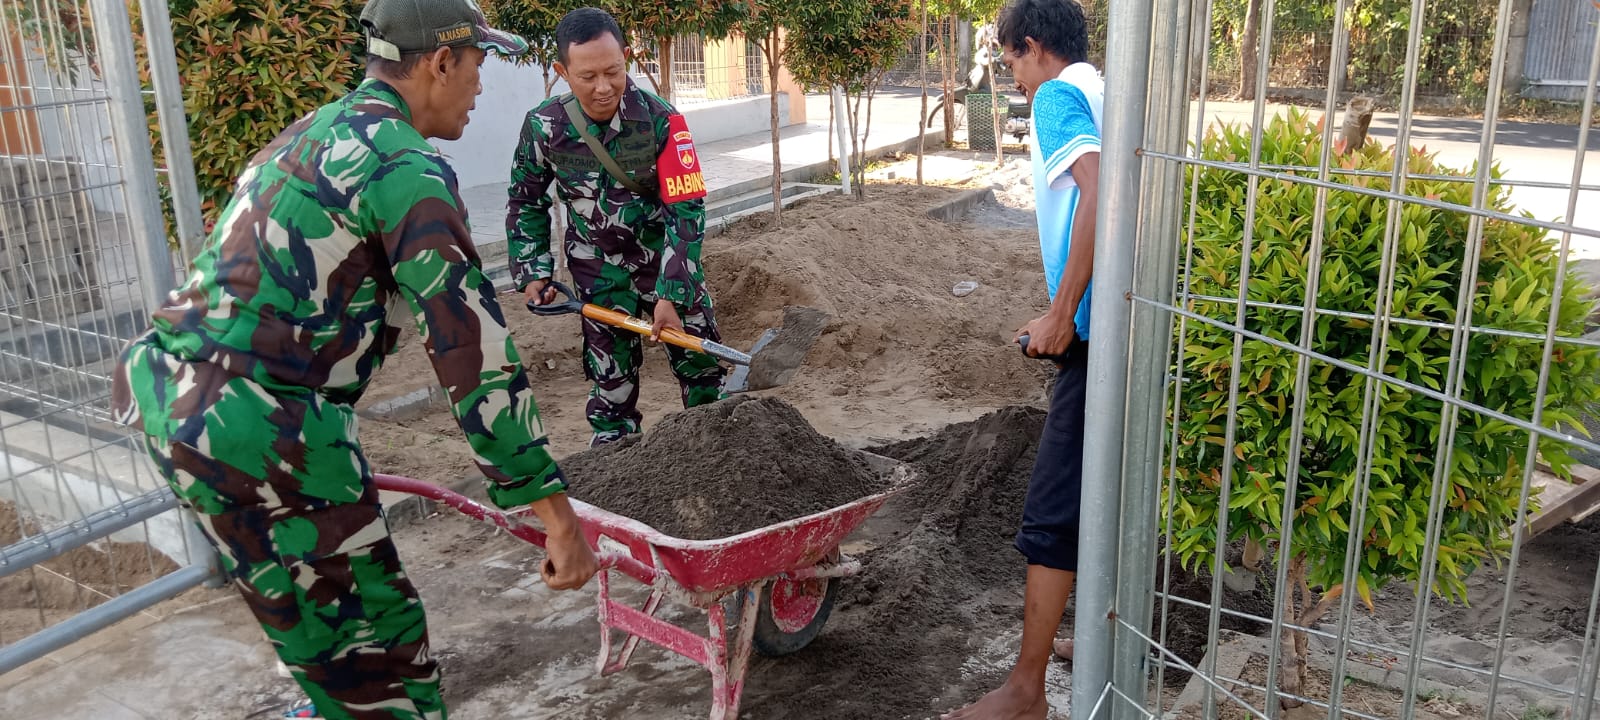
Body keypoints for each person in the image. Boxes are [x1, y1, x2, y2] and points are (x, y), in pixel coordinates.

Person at [110, 0, 599, 717]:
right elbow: (473, 354)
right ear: (440, 62)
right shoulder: (406, 168)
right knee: (388, 671)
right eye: (478, 65)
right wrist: (557, 516)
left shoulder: (312, 131)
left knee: (323, 642)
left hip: (172, 401)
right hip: (264, 428)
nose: (481, 87)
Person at [943, 0, 1102, 718]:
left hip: (1097, 329)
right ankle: (1097, 633)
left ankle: (1025, 690)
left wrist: (1062, 313)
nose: (1009, 71)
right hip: (1128, 321)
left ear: (1033, 47)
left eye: (1008, 57)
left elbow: (1099, 190)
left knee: (1052, 509)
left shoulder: (1058, 96)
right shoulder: (1105, 87)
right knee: (1106, 490)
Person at [508, 7, 726, 447]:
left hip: (665, 267)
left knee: (703, 376)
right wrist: (533, 270)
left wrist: (671, 294)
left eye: (614, 71)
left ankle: (716, 455)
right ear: (561, 71)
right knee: (612, 390)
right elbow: (525, 200)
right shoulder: (545, 126)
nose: (603, 87)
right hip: (597, 272)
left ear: (626, 56)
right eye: (588, 77)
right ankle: (615, 465)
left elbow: (687, 210)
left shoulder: (661, 120)